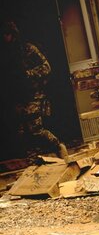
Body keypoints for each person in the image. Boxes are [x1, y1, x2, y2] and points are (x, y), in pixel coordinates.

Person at [0, 19, 68, 160]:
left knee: (35, 130)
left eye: (7, 34)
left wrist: (27, 75)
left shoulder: (27, 49)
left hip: (33, 95)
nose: (5, 38)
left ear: (13, 34)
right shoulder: (5, 54)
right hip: (16, 97)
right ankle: (34, 161)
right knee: (21, 134)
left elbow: (46, 67)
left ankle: (58, 146)